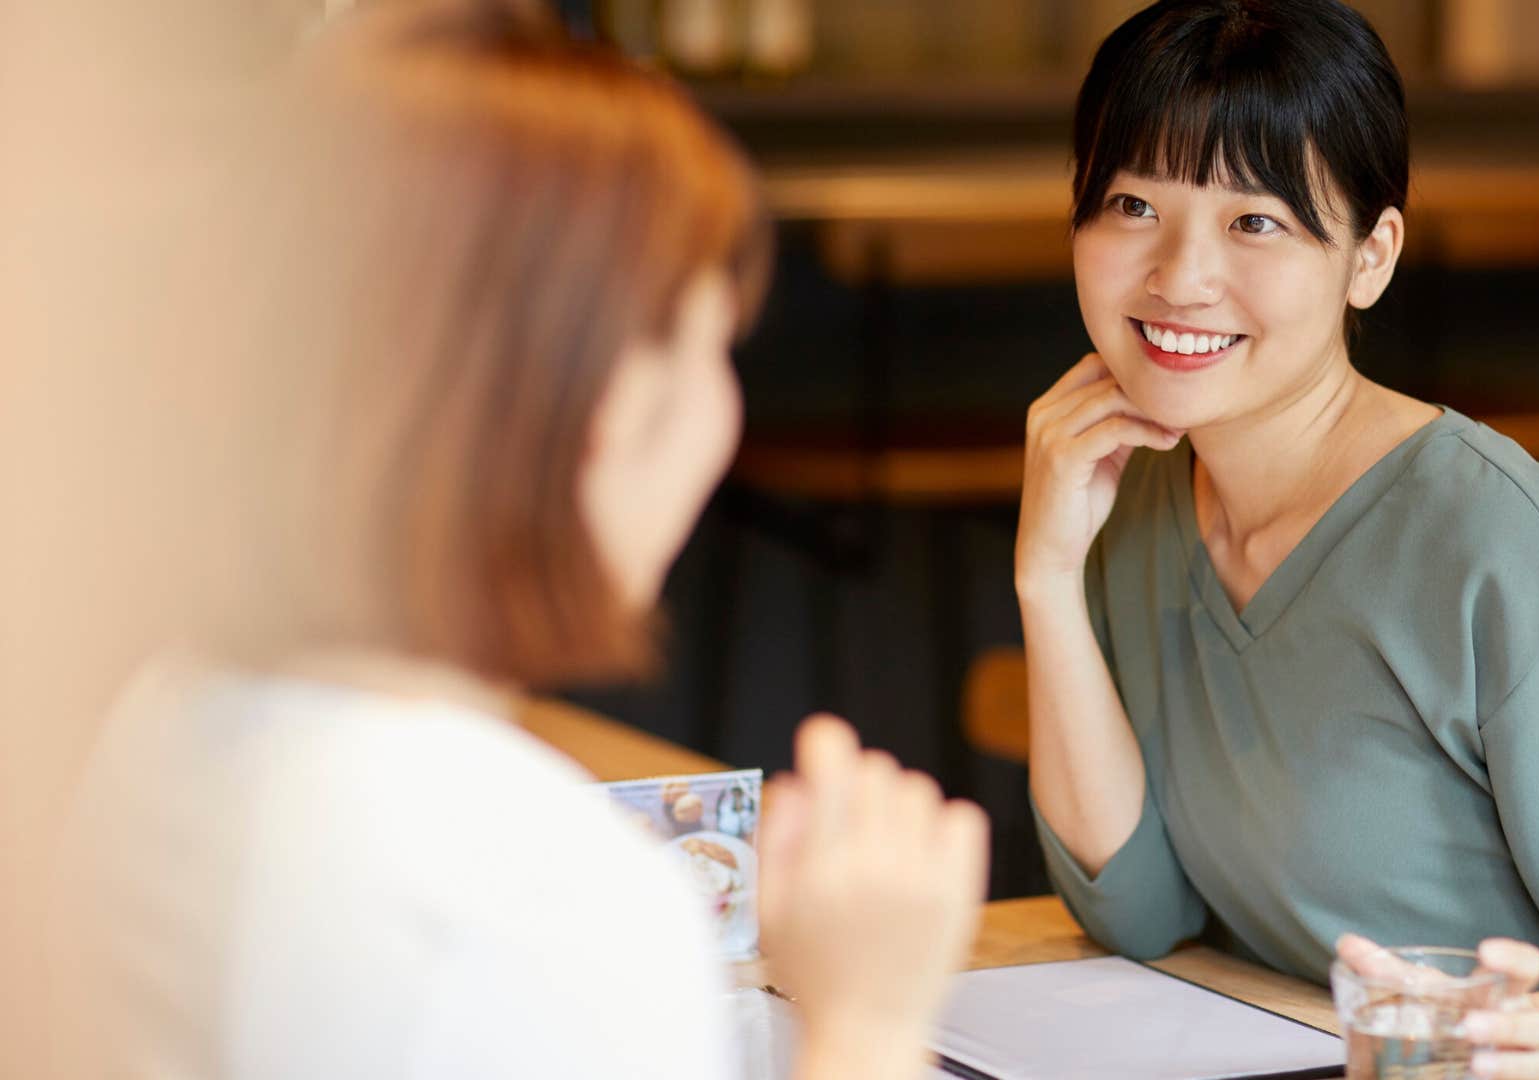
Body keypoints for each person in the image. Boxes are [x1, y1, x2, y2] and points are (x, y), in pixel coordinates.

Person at [48, 4, 985, 1079]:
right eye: (711, 343)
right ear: (600, 406)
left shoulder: (163, 721)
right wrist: (866, 1021)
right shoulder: (547, 904)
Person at [1016, 3, 1539, 1079]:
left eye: (1255, 221)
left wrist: (1524, 1050)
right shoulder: (1126, 495)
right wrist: (1046, 578)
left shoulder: (1500, 538)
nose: (1179, 277)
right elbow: (1137, 909)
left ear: (1370, 257)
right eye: (1133, 204)